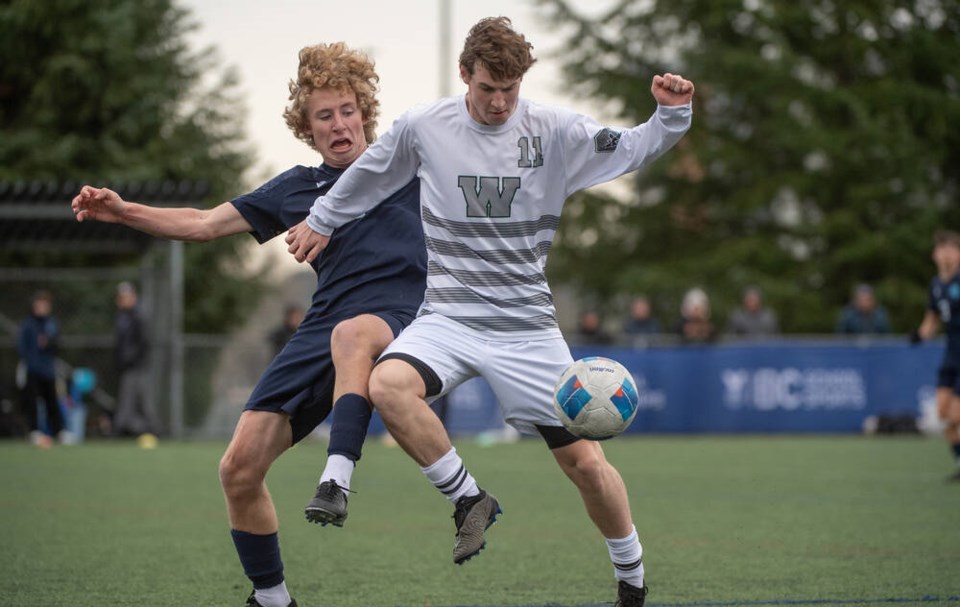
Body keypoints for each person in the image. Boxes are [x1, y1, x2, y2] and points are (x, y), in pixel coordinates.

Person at [286, 17, 693, 607]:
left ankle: (631, 579)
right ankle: (470, 499)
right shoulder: (426, 126)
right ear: (464, 77)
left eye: (510, 89)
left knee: (584, 463)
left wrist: (671, 115)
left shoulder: (555, 130)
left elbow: (630, 147)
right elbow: (371, 174)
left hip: (526, 326)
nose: (499, 102)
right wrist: (322, 218)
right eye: (487, 89)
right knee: (389, 385)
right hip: (448, 315)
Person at [72, 42, 426, 607]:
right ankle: (272, 599)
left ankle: (340, 475)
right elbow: (205, 223)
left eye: (347, 110)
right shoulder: (297, 187)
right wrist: (124, 211)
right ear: (308, 130)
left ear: (365, 111)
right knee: (238, 468)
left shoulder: (408, 165)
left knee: (356, 336)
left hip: (401, 321)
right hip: (321, 331)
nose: (339, 125)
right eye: (324, 116)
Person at [910, 230, 960, 481]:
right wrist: (920, 335)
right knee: (944, 416)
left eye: (952, 250)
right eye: (942, 250)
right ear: (934, 255)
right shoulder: (936, 285)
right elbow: (932, 320)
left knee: (956, 413)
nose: (947, 255)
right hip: (952, 353)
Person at [17, 290, 67, 447]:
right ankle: (34, 431)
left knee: (52, 401)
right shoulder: (28, 324)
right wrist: (31, 360)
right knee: (31, 402)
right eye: (39, 304)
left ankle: (59, 431)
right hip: (32, 369)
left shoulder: (52, 324)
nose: (42, 307)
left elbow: (58, 344)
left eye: (45, 304)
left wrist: (50, 343)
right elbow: (21, 347)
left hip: (48, 369)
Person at [112, 281, 160, 439]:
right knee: (127, 401)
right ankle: (122, 430)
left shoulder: (139, 316)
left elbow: (144, 342)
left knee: (144, 401)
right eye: (121, 297)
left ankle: (153, 431)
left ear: (134, 297)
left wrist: (133, 358)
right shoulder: (122, 317)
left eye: (127, 296)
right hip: (127, 367)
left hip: (139, 366)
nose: (124, 300)